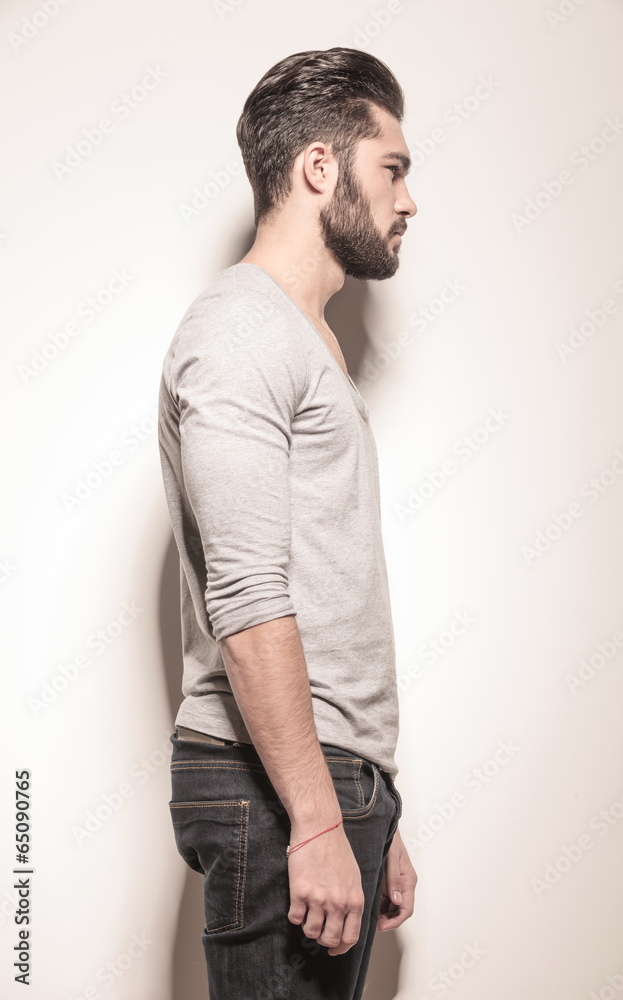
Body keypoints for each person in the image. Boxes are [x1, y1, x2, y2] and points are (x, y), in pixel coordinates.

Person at [157, 46, 418, 1000]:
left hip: (318, 785)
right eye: (391, 167)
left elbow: (319, 583)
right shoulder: (241, 334)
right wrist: (315, 818)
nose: (407, 200)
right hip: (270, 793)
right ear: (320, 167)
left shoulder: (295, 337)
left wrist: (373, 812)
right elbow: (249, 595)